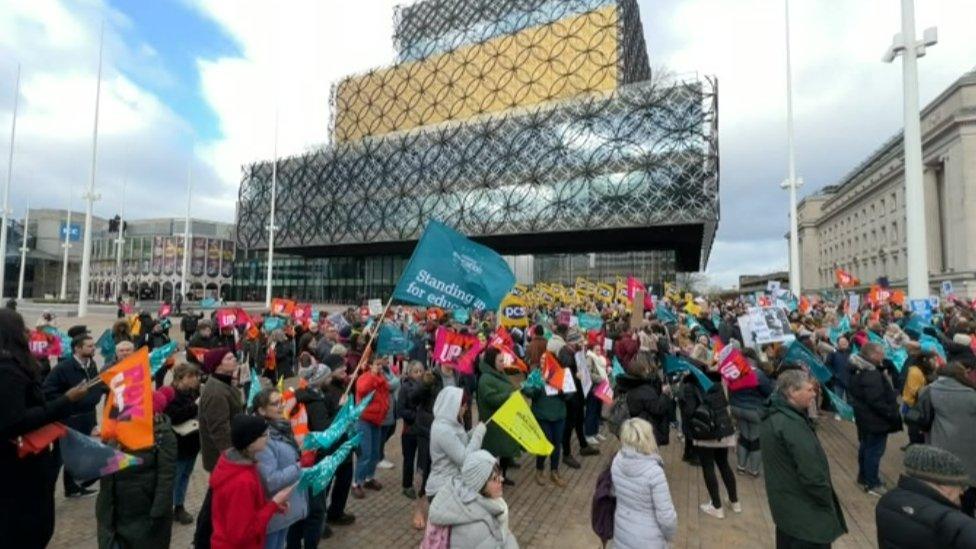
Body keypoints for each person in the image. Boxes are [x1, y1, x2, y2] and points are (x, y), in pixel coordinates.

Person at [0, 309, 89, 547]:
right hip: (18, 465)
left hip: (24, 464)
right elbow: (14, 421)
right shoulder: (7, 370)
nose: (28, 332)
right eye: (22, 327)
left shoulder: (15, 364)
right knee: (26, 529)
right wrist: (66, 400)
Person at [760, 370, 847, 548]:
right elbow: (812, 475)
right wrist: (826, 499)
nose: (814, 394)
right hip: (807, 520)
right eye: (809, 390)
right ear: (792, 391)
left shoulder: (774, 415)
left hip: (788, 512)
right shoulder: (792, 425)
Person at [96, 389, 178, 549]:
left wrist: (157, 514)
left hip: (145, 514)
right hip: (117, 511)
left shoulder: (163, 436)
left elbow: (166, 479)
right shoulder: (118, 432)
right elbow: (105, 478)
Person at [209, 414, 294, 549]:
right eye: (264, 434)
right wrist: (273, 504)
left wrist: (272, 506)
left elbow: (246, 508)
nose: (268, 437)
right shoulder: (242, 481)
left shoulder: (235, 464)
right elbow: (242, 534)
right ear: (251, 441)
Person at [43, 332, 107, 497]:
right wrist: (68, 402)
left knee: (77, 455)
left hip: (86, 418)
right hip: (68, 421)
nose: (94, 348)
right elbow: (47, 391)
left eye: (93, 345)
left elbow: (96, 386)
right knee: (58, 458)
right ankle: (45, 492)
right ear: (78, 348)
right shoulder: (63, 368)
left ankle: (71, 488)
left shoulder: (91, 364)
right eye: (90, 346)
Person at [876, 444, 976, 548]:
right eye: (961, 486)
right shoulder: (957, 525)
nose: (962, 493)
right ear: (945, 484)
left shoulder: (888, 500)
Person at [195, 348, 244, 549]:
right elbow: (219, 430)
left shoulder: (224, 384)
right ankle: (202, 540)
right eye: (229, 358)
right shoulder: (215, 391)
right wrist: (233, 459)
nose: (235, 360)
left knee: (216, 499)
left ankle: (204, 538)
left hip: (225, 457)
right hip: (222, 458)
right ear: (218, 365)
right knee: (214, 500)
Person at [426, 450, 519, 549]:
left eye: (500, 475)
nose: (502, 479)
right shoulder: (477, 529)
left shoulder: (465, 498)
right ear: (479, 484)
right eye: (495, 478)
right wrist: (508, 535)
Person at [252, 388, 308, 549]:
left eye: (282, 401)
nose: (282, 406)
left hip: (284, 507)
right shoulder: (263, 438)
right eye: (275, 403)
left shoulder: (281, 428)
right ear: (262, 410)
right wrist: (300, 465)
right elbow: (270, 480)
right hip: (273, 511)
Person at [611, 418, 677, 549]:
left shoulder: (617, 461)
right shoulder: (655, 472)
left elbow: (615, 493)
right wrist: (669, 537)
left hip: (621, 533)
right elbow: (667, 518)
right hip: (649, 540)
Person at [849, 342, 902, 496]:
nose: (883, 355)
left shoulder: (859, 370)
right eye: (881, 353)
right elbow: (876, 400)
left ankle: (864, 477)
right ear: (872, 355)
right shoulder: (871, 375)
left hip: (865, 418)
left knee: (866, 448)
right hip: (875, 420)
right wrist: (891, 412)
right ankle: (872, 483)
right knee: (874, 452)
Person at [925, 362, 976, 515]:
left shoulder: (929, 390)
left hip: (940, 444)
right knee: (968, 486)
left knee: (942, 483)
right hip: (970, 448)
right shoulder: (972, 395)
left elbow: (922, 418)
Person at [291, 363, 333, 546]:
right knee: (315, 511)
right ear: (320, 380)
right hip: (313, 461)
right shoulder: (315, 403)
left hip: (304, 461)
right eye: (328, 377)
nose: (330, 380)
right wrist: (339, 411)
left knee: (301, 509)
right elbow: (324, 432)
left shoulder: (304, 396)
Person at [688, 369, 739, 519]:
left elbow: (690, 411)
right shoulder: (719, 384)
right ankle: (734, 501)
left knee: (708, 467)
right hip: (721, 430)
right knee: (724, 464)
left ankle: (716, 506)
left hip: (704, 432)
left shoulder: (693, 387)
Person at [426, 386, 487, 499]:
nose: (466, 409)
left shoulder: (450, 422)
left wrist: (472, 433)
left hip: (452, 484)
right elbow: (464, 459)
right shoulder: (443, 429)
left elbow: (459, 442)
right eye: (463, 406)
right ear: (453, 406)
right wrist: (478, 435)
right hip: (442, 488)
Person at [163, 362, 203, 525]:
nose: (195, 379)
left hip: (192, 441)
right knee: (176, 476)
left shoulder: (192, 391)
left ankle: (178, 505)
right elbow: (174, 417)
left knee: (185, 475)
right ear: (180, 378)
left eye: (196, 376)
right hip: (178, 443)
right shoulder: (170, 394)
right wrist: (195, 406)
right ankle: (171, 507)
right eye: (191, 376)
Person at [521, 353, 568, 487]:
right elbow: (527, 390)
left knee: (557, 444)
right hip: (542, 415)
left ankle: (554, 471)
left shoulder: (560, 374)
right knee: (545, 442)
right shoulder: (536, 374)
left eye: (545, 359)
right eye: (541, 359)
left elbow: (570, 394)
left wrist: (561, 392)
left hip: (559, 415)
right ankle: (539, 470)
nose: (542, 361)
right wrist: (536, 388)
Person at [477, 347, 521, 485]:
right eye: (500, 361)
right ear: (492, 361)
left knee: (504, 451)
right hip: (492, 423)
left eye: (503, 360)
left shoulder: (499, 373)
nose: (503, 363)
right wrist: (508, 396)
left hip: (503, 421)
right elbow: (491, 399)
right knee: (492, 454)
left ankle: (502, 476)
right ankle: (490, 480)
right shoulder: (485, 378)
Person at [352, 355, 391, 498]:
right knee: (365, 453)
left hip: (376, 420)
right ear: (370, 365)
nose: (379, 367)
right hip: (364, 420)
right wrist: (372, 376)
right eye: (377, 364)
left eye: (381, 364)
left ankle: (369, 477)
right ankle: (357, 482)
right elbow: (361, 389)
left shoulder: (381, 379)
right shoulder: (365, 377)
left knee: (375, 453)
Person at [559, 329, 598, 469]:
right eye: (580, 342)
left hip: (578, 393)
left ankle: (583, 445)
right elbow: (566, 373)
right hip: (571, 396)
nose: (582, 344)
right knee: (569, 425)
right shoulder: (565, 354)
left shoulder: (575, 352)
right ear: (572, 342)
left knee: (580, 420)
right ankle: (566, 454)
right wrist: (576, 374)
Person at [729, 355, 773, 477]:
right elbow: (768, 391)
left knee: (744, 437)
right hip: (754, 410)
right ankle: (754, 470)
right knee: (755, 439)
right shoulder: (759, 374)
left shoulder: (735, 373)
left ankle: (741, 466)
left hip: (737, 408)